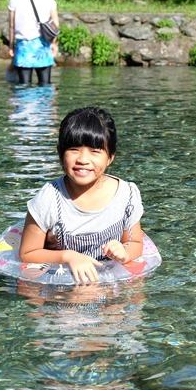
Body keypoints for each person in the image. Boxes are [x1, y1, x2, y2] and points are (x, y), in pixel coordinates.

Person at [19, 107, 146, 284]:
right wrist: (68, 256)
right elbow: (27, 253)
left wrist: (124, 252)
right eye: (74, 149)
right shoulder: (49, 198)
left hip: (111, 276)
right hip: (64, 280)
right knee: (83, 293)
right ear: (60, 153)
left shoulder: (126, 195)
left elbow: (136, 244)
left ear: (110, 157)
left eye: (95, 151)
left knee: (135, 294)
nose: (83, 159)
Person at [8, 0, 59, 85]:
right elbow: (56, 25)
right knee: (45, 85)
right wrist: (54, 43)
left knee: (24, 86)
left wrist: (11, 46)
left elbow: (12, 26)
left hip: (23, 47)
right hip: (43, 46)